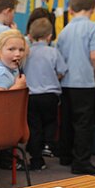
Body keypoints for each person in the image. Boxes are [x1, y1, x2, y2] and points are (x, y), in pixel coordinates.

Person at [56, 0, 95, 175]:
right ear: (93, 7)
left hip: (66, 83)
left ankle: (66, 156)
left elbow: (60, 59)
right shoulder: (93, 27)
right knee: (84, 123)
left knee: (68, 121)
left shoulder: (64, 31)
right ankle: (81, 162)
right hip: (84, 82)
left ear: (72, 8)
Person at [25, 18, 67, 171]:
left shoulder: (26, 53)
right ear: (49, 36)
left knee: (34, 127)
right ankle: (48, 145)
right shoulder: (53, 52)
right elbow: (62, 71)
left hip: (31, 96)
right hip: (50, 95)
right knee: (50, 122)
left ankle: (37, 160)